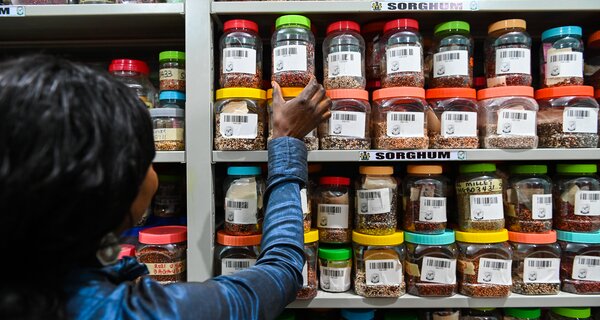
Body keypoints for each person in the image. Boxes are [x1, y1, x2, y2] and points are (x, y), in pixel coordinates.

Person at [0, 55, 330, 320]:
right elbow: (282, 270)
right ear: (112, 189)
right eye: (148, 159)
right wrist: (286, 142)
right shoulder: (152, 312)